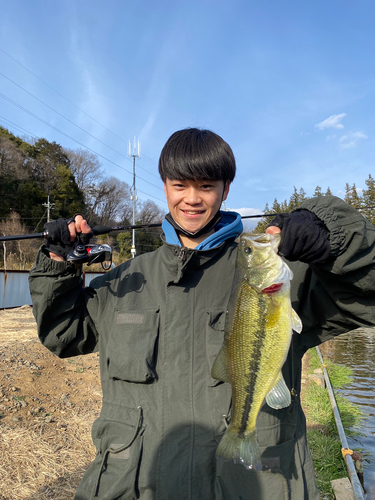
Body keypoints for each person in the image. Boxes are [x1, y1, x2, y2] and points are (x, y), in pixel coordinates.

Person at [29, 128, 375, 500]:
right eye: (179, 185)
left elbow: (364, 292)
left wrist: (334, 239)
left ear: (226, 190)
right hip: (136, 486)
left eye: (206, 186)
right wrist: (58, 265)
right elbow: (63, 334)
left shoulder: (288, 276)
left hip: (250, 484)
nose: (191, 199)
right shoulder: (127, 279)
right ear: (164, 186)